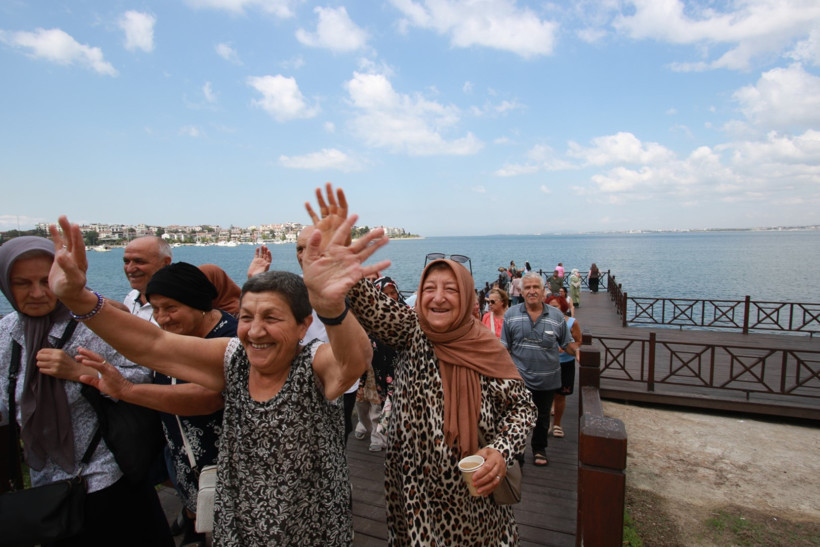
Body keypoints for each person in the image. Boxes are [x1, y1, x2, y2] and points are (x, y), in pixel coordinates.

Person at [48, 208, 388, 546]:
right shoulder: (234, 357)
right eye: (247, 316)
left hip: (311, 527)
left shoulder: (312, 363)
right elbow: (153, 344)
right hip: (239, 523)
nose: (256, 330)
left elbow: (353, 362)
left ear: (302, 326)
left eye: (272, 317)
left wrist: (332, 308)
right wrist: (78, 297)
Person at [309, 186, 536, 544]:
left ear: (466, 298)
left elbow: (523, 409)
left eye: (451, 289)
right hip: (411, 492)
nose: (439, 297)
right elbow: (370, 306)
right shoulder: (413, 330)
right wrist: (343, 267)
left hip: (470, 499)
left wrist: (500, 451)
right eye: (429, 288)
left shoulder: (486, 347)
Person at [0, 236, 174, 546]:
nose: (38, 293)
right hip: (47, 484)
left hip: (108, 476)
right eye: (22, 283)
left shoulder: (95, 322)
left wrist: (83, 372)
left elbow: (145, 375)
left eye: (46, 280)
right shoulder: (7, 335)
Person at [77, 262, 235, 547]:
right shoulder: (173, 337)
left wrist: (127, 390)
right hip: (187, 464)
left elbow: (208, 397)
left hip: (231, 469)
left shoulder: (230, 338)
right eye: (155, 308)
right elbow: (137, 339)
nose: (162, 318)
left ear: (198, 303)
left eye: (170, 307)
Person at [501, 271, 574, 467]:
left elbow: (567, 344)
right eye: (528, 288)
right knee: (517, 417)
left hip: (548, 379)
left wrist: (581, 353)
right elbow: (504, 347)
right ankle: (518, 451)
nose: (532, 291)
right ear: (521, 291)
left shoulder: (557, 316)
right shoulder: (511, 315)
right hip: (519, 379)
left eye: (536, 287)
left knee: (542, 418)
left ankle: (539, 449)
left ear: (543, 291)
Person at [354, 276, 405, 452]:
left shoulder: (404, 313)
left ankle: (378, 437)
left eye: (393, 293)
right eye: (385, 294)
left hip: (393, 368)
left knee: (380, 404)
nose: (391, 297)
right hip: (368, 367)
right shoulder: (367, 316)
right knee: (363, 402)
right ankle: (365, 425)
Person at [545, 295, 581, 440]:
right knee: (546, 395)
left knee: (560, 395)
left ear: (563, 308)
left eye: (556, 307)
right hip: (547, 362)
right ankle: (545, 422)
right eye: (550, 307)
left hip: (565, 363)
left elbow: (578, 341)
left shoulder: (572, 322)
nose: (553, 310)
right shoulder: (543, 322)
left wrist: (568, 348)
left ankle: (557, 424)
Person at [122, 236, 172, 321]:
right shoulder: (131, 297)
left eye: (139, 261)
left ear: (165, 263)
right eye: (126, 262)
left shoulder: (178, 305)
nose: (129, 269)